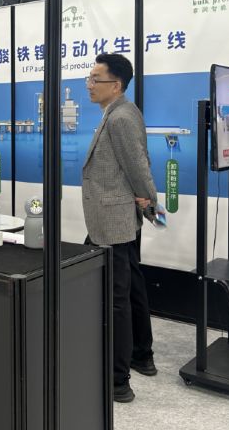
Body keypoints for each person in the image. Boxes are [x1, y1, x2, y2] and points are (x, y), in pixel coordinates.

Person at [82, 53, 158, 404]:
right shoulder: (118, 112)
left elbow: (138, 167)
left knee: (117, 300)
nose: (89, 84)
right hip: (115, 218)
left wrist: (151, 204)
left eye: (95, 79)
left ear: (115, 85)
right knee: (131, 288)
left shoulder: (121, 117)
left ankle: (118, 380)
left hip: (114, 222)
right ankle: (142, 355)